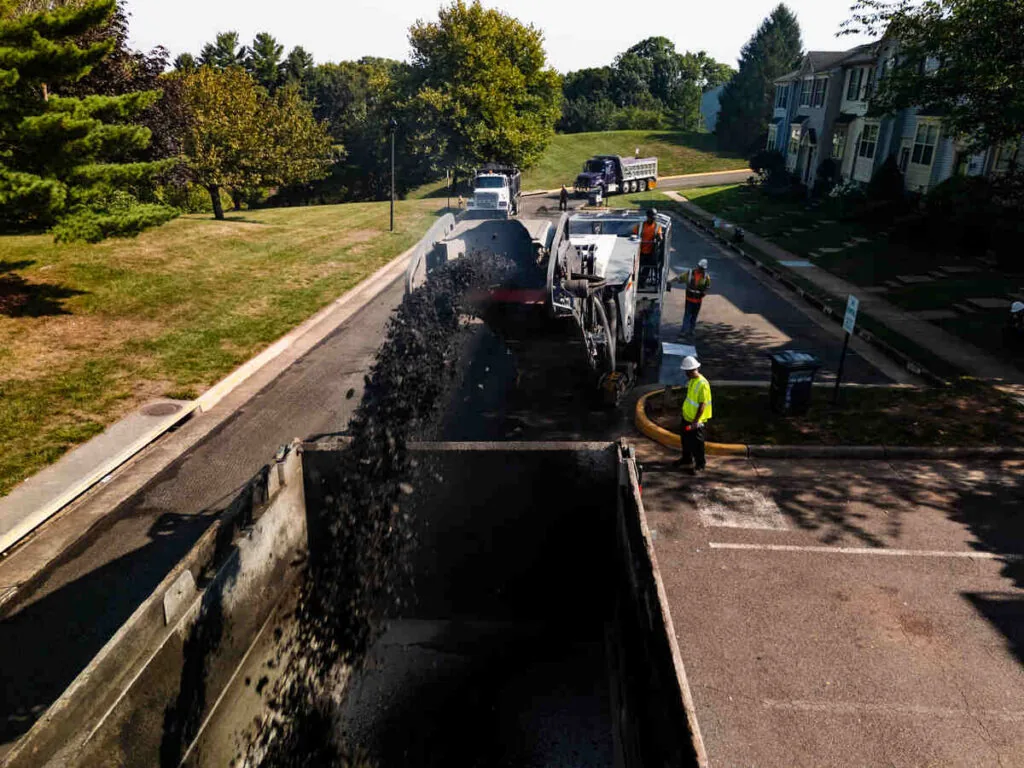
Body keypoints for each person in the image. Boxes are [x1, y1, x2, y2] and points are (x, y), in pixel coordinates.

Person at [673, 356, 712, 474]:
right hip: (687, 418)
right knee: (685, 440)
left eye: (686, 371)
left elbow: (702, 404)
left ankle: (700, 464)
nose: (685, 373)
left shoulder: (702, 383)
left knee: (697, 443)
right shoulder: (692, 381)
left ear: (691, 370)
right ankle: (687, 459)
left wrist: (696, 421)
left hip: (696, 421)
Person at [677, 258, 711, 339]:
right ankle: (684, 331)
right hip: (689, 299)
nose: (702, 270)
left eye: (703, 269)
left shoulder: (706, 277)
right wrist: (670, 282)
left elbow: (708, 287)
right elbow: (680, 278)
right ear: (698, 266)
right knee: (687, 315)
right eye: (701, 268)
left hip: (698, 301)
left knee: (694, 316)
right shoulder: (690, 273)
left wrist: (705, 292)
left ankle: (691, 330)